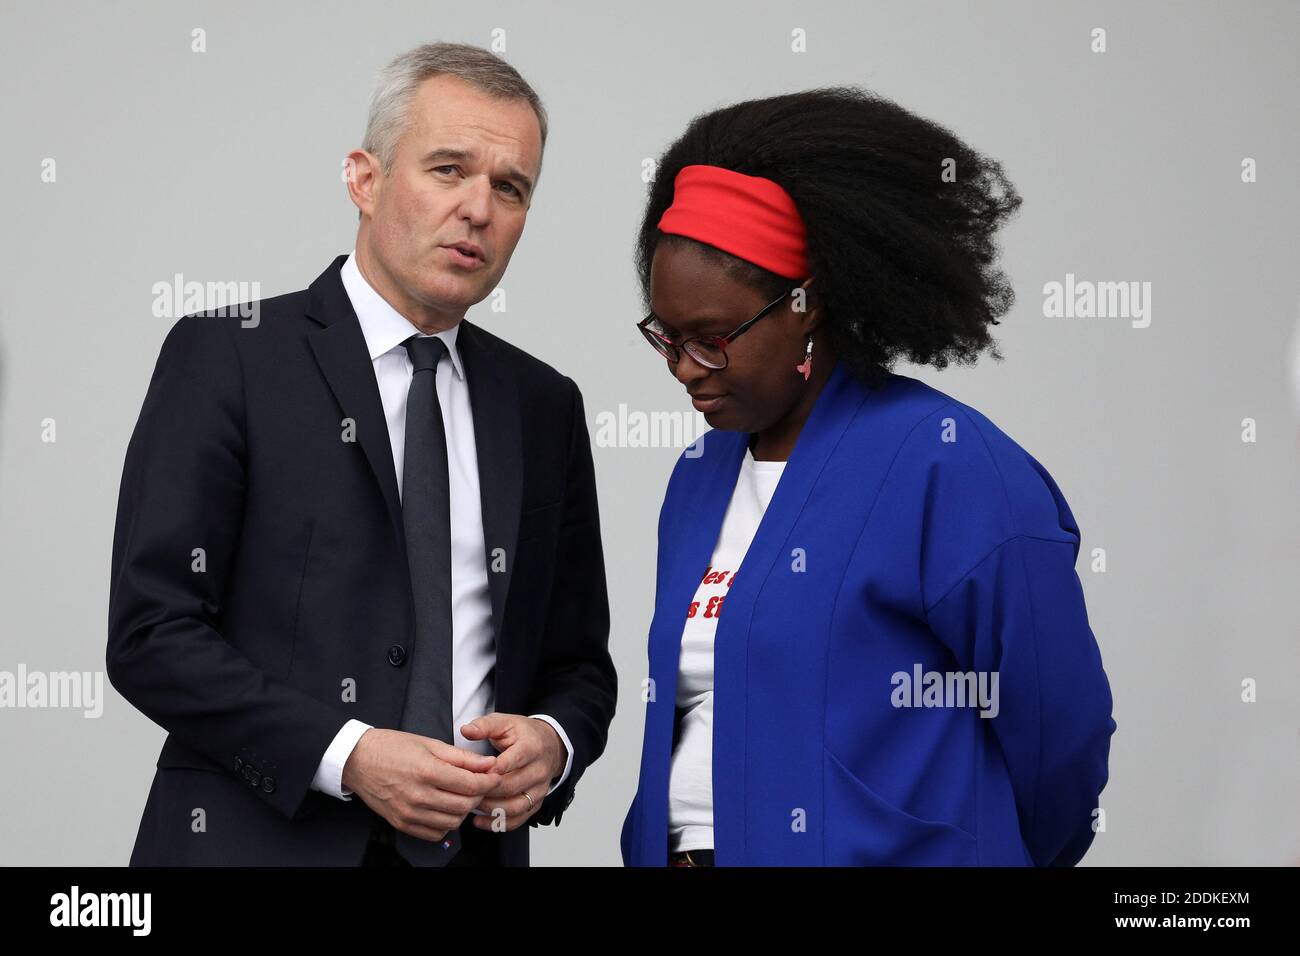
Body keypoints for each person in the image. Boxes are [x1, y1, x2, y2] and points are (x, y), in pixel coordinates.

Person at [107, 41, 616, 867]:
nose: (479, 208)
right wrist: (349, 755)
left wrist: (553, 743)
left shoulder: (542, 404)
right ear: (365, 177)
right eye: (448, 169)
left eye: (509, 187)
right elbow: (152, 635)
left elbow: (578, 663)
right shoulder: (229, 357)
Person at [620, 87, 1115, 866]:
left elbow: (1057, 724)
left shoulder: (946, 465)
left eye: (714, 338)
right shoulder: (699, 478)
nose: (686, 369)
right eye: (667, 338)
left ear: (806, 305)